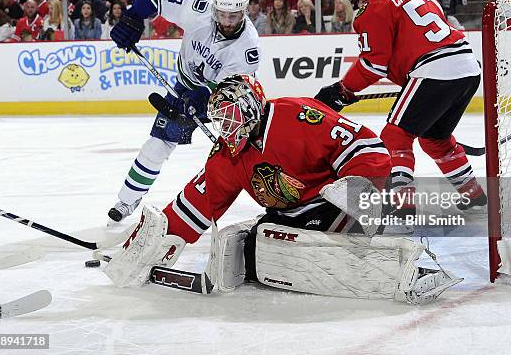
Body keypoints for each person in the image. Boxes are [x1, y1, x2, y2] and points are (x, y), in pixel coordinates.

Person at [104, 74, 459, 305]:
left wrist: (359, 189)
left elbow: (367, 146)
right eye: (221, 121)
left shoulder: (298, 116)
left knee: (309, 243)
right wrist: (148, 244)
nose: (226, 129)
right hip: (290, 216)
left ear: (250, 109)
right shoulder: (227, 156)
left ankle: (388, 257)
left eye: (231, 118)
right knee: (259, 247)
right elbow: (194, 205)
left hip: (331, 203)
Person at [314, 0, 487, 217]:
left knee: (396, 136)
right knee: (435, 140)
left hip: (435, 69)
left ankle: (401, 204)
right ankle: (472, 193)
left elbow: (374, 65)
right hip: (467, 67)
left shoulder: (376, 9)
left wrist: (343, 90)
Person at [107, 0, 261, 222]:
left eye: (233, 16)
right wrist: (133, 17)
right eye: (221, 14)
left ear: (244, 10)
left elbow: (231, 90)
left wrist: (199, 100)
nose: (226, 22)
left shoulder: (247, 49)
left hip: (228, 101)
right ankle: (127, 200)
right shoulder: (199, 9)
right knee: (157, 144)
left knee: (240, 153)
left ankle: (269, 196)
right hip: (184, 86)